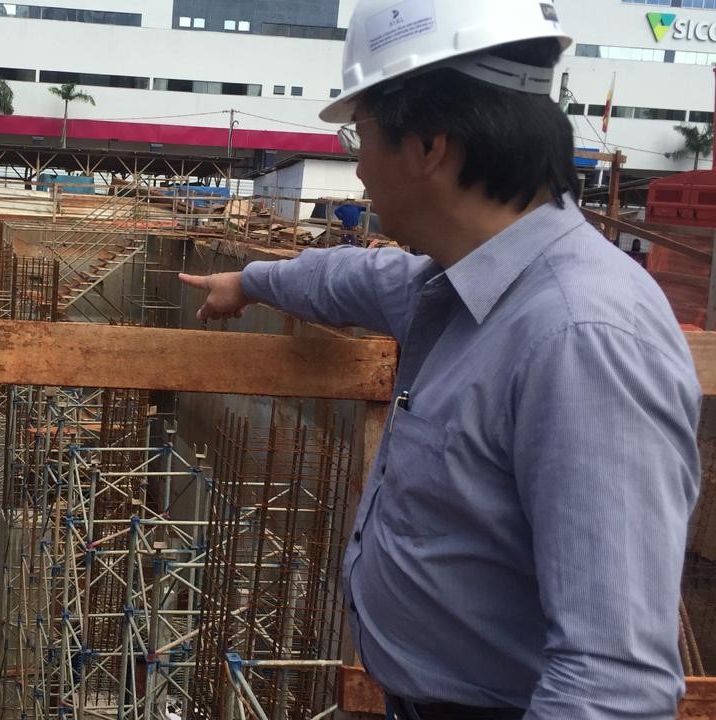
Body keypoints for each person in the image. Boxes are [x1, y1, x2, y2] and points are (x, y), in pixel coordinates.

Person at [179, 2, 700, 718]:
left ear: (429, 146)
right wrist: (250, 282)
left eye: (361, 136)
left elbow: (613, 685)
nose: (358, 168)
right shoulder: (460, 283)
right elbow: (354, 279)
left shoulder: (582, 339)